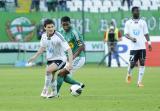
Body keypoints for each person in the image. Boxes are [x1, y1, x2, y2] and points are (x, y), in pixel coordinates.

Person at [28, 19, 73, 98]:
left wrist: (70, 64)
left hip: (60, 59)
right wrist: (34, 57)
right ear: (45, 28)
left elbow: (69, 50)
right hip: (50, 59)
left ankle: (45, 90)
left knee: (48, 70)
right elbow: (42, 48)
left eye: (52, 26)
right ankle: (54, 93)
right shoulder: (43, 36)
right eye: (49, 27)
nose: (51, 28)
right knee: (51, 76)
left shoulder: (59, 36)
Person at [47, 16, 85, 98]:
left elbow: (82, 46)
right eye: (64, 24)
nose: (65, 26)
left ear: (70, 23)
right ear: (61, 24)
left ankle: (55, 94)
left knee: (61, 74)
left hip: (78, 58)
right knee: (62, 76)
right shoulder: (60, 32)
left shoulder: (74, 32)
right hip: (68, 59)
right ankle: (79, 84)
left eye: (67, 24)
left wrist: (74, 56)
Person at [124, 6, 152, 87]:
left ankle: (139, 82)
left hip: (142, 47)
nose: (138, 12)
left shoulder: (143, 22)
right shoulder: (128, 22)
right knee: (132, 64)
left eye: (138, 11)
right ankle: (128, 74)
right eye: (136, 11)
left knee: (142, 63)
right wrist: (131, 38)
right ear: (132, 12)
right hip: (133, 48)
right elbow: (125, 34)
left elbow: (146, 33)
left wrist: (149, 43)